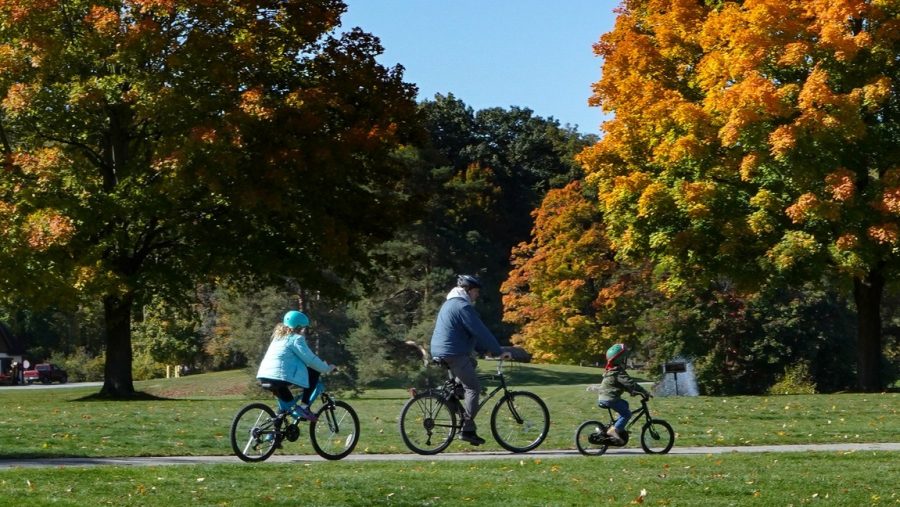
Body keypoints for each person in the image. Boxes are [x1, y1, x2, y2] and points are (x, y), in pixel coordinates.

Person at [430, 274, 511, 445]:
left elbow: (469, 334)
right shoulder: (462, 307)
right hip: (453, 353)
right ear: (467, 290)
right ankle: (467, 429)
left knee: (470, 367)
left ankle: (453, 402)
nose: (477, 295)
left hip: (442, 350)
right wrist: (498, 351)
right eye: (476, 291)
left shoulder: (449, 303)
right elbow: (480, 331)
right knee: (473, 388)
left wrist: (484, 350)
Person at [257, 310, 335, 422]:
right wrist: (327, 368)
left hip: (264, 375)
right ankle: (304, 406)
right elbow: (311, 360)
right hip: (278, 378)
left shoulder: (277, 338)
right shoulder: (296, 339)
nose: (304, 331)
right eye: (303, 328)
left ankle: (274, 434)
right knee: (314, 372)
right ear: (298, 327)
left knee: (285, 408)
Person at [596, 343, 651, 444]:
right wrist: (644, 392)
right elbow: (630, 383)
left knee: (625, 404)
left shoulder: (612, 371)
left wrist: (632, 391)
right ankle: (614, 430)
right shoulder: (618, 372)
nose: (625, 360)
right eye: (624, 358)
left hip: (604, 397)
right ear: (619, 359)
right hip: (610, 398)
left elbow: (622, 385)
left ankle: (615, 427)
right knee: (627, 414)